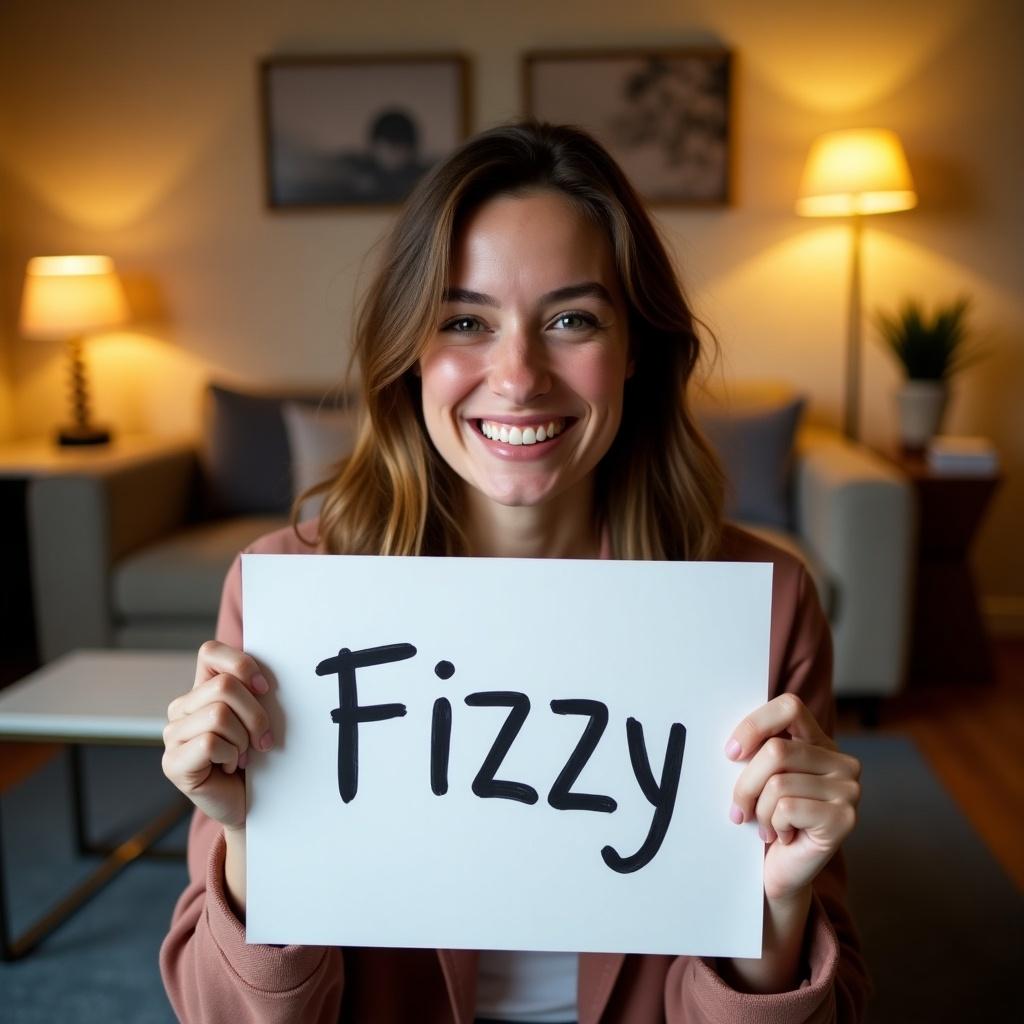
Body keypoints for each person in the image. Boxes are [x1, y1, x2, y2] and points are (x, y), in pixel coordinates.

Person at [160, 120, 868, 1023]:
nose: (520, 375)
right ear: (410, 350)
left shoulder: (760, 606)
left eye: (572, 320)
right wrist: (251, 837)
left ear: (637, 348)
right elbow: (221, 1014)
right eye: (465, 321)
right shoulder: (296, 593)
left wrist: (774, 904)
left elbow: (831, 1005)